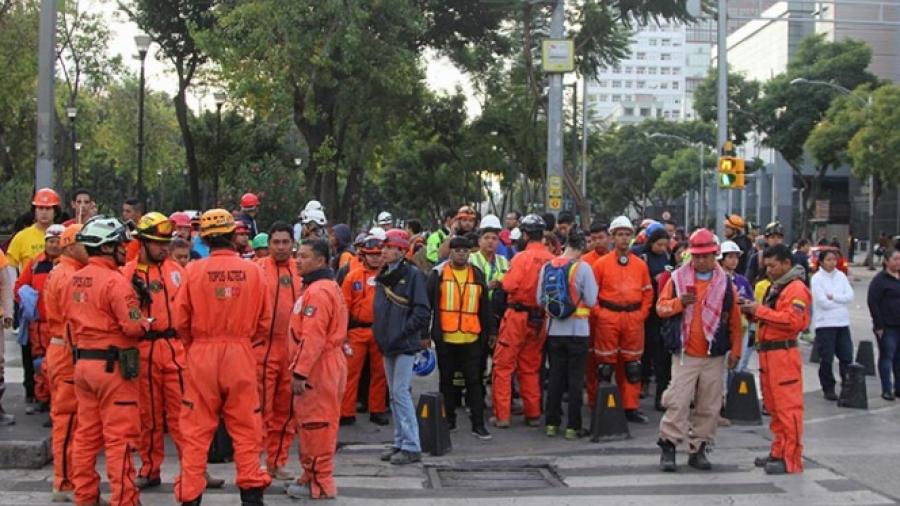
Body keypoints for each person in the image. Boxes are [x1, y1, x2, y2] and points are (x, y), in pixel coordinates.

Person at [173, 209, 273, 506]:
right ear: (233, 235)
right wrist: (242, 342)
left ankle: (191, 497)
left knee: (195, 430)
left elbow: (180, 320)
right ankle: (251, 496)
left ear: (204, 237)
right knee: (246, 429)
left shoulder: (192, 271)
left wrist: (198, 345)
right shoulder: (254, 271)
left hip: (202, 355)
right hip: (240, 354)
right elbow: (265, 322)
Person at [66, 216, 149, 506]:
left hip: (84, 364)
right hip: (113, 369)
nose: (124, 250)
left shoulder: (74, 278)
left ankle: (85, 495)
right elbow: (134, 326)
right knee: (120, 439)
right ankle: (125, 499)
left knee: (86, 436)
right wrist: (145, 319)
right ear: (107, 247)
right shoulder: (116, 282)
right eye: (119, 245)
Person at [655, 229, 743, 472]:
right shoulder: (677, 279)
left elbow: (735, 320)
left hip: (713, 355)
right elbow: (660, 308)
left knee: (709, 405)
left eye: (706, 256)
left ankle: (700, 448)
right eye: (697, 256)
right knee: (678, 401)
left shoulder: (725, 283)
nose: (701, 261)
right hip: (685, 354)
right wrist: (678, 303)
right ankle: (669, 447)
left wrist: (735, 350)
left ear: (715, 255)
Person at [119, 212, 187, 490]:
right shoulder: (128, 274)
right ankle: (149, 469)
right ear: (143, 243)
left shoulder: (178, 271)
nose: (164, 247)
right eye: (158, 242)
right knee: (148, 417)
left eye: (166, 242)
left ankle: (193, 470)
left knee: (183, 415)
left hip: (175, 349)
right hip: (144, 350)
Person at [284, 238, 349, 499]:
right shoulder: (320, 287)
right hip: (324, 364)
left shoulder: (318, 292)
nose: (297, 260)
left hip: (319, 367)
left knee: (317, 425)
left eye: (304, 256)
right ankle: (312, 474)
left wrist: (300, 372)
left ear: (321, 260)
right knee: (316, 423)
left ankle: (320, 482)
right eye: (297, 255)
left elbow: (313, 337)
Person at [740, 244, 810, 475]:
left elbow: (793, 321)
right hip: (769, 354)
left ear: (786, 264)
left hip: (783, 355)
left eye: (772, 265)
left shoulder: (796, 289)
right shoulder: (778, 287)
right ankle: (778, 451)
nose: (768, 270)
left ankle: (791, 459)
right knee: (774, 408)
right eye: (766, 266)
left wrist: (759, 311)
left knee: (788, 409)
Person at [373, 229, 431, 465]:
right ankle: (399, 441)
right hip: (388, 343)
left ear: (400, 250)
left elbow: (421, 311)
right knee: (395, 395)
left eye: (389, 248)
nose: (384, 252)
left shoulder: (413, 275)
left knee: (400, 393)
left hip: (404, 343)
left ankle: (411, 445)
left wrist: (402, 332)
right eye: (384, 247)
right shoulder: (385, 273)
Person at [427, 236, 494, 439]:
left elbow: (485, 306)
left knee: (475, 383)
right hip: (446, 338)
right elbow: (427, 305)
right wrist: (426, 333)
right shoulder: (438, 274)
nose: (462, 254)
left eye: (465, 251)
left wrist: (491, 332)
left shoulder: (477, 274)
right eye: (458, 251)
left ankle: (478, 425)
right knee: (446, 383)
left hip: (471, 338)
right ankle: (448, 421)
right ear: (451, 252)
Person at [491, 214, 554, 428]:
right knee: (530, 367)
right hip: (540, 319)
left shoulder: (521, 258)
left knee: (503, 366)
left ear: (525, 235)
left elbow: (509, 285)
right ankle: (533, 413)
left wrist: (498, 282)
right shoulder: (551, 258)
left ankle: (502, 416)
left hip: (517, 317)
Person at [591, 216, 654, 423]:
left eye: (627, 235)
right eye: (620, 235)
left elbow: (647, 292)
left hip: (633, 319)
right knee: (605, 366)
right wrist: (600, 314)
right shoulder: (600, 265)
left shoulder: (640, 265)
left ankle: (630, 407)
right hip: (608, 317)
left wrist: (641, 314)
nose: (624, 239)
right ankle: (603, 404)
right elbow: (591, 294)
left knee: (632, 365)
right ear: (612, 237)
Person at [41, 224, 87, 501]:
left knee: (73, 421)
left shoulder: (64, 272)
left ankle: (70, 480)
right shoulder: (69, 276)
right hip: (67, 353)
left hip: (62, 350)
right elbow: (73, 322)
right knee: (69, 421)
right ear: (72, 246)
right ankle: (65, 483)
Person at [254, 223, 302, 480]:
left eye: (286, 242)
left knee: (286, 413)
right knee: (260, 411)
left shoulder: (300, 270)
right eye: (277, 242)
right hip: (263, 350)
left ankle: (276, 462)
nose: (281, 247)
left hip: (291, 352)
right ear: (268, 244)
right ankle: (254, 463)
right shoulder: (257, 270)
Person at [539, 230, 597, 439]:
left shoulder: (548, 267)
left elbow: (540, 299)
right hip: (578, 331)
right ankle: (573, 427)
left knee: (554, 377)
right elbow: (591, 300)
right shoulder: (583, 268)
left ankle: (551, 425)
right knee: (574, 380)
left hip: (554, 330)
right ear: (582, 247)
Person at [340, 233, 389, 426]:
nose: (375, 257)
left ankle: (377, 409)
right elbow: (344, 306)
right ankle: (346, 412)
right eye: (371, 254)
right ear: (363, 254)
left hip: (380, 331)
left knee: (380, 373)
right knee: (351, 373)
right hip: (357, 331)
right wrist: (341, 333)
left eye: (378, 254)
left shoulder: (387, 276)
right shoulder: (352, 277)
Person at [15, 224, 65, 410]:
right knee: (39, 364)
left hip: (58, 326)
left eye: (57, 241)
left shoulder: (66, 265)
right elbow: (19, 286)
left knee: (57, 366)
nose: (53, 245)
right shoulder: (35, 264)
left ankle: (57, 401)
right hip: (38, 325)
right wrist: (26, 300)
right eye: (50, 241)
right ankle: (43, 398)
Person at [811, 248, 854, 401]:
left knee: (846, 356)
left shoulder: (841, 276)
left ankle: (848, 385)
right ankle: (828, 387)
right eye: (828, 260)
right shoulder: (817, 278)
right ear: (821, 262)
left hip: (842, 322)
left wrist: (834, 297)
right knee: (827, 358)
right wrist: (839, 301)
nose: (832, 263)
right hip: (825, 323)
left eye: (834, 259)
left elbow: (850, 296)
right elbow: (822, 302)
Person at [638, 225, 673, 410]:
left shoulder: (667, 257)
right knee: (645, 351)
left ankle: (661, 392)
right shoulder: (642, 256)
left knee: (661, 354)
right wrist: (654, 279)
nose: (661, 248)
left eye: (664, 245)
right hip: (647, 311)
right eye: (659, 245)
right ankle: (642, 382)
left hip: (662, 311)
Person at [867, 248, 900, 401]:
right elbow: (873, 302)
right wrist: (878, 325)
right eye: (895, 259)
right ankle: (887, 389)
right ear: (886, 261)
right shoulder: (880, 280)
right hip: (887, 326)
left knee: (899, 359)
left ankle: (898, 387)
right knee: (887, 356)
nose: (898, 262)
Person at [718, 241, 754, 378]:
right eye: (730, 257)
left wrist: (745, 303)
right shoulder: (717, 279)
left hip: (742, 327)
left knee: (737, 367)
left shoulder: (742, 280)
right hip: (723, 328)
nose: (734, 261)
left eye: (736, 257)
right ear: (721, 259)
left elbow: (752, 301)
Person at [122, 198, 145, 263]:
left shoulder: (147, 230)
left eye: (128, 211)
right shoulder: (123, 228)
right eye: (123, 211)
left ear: (138, 213)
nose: (124, 214)